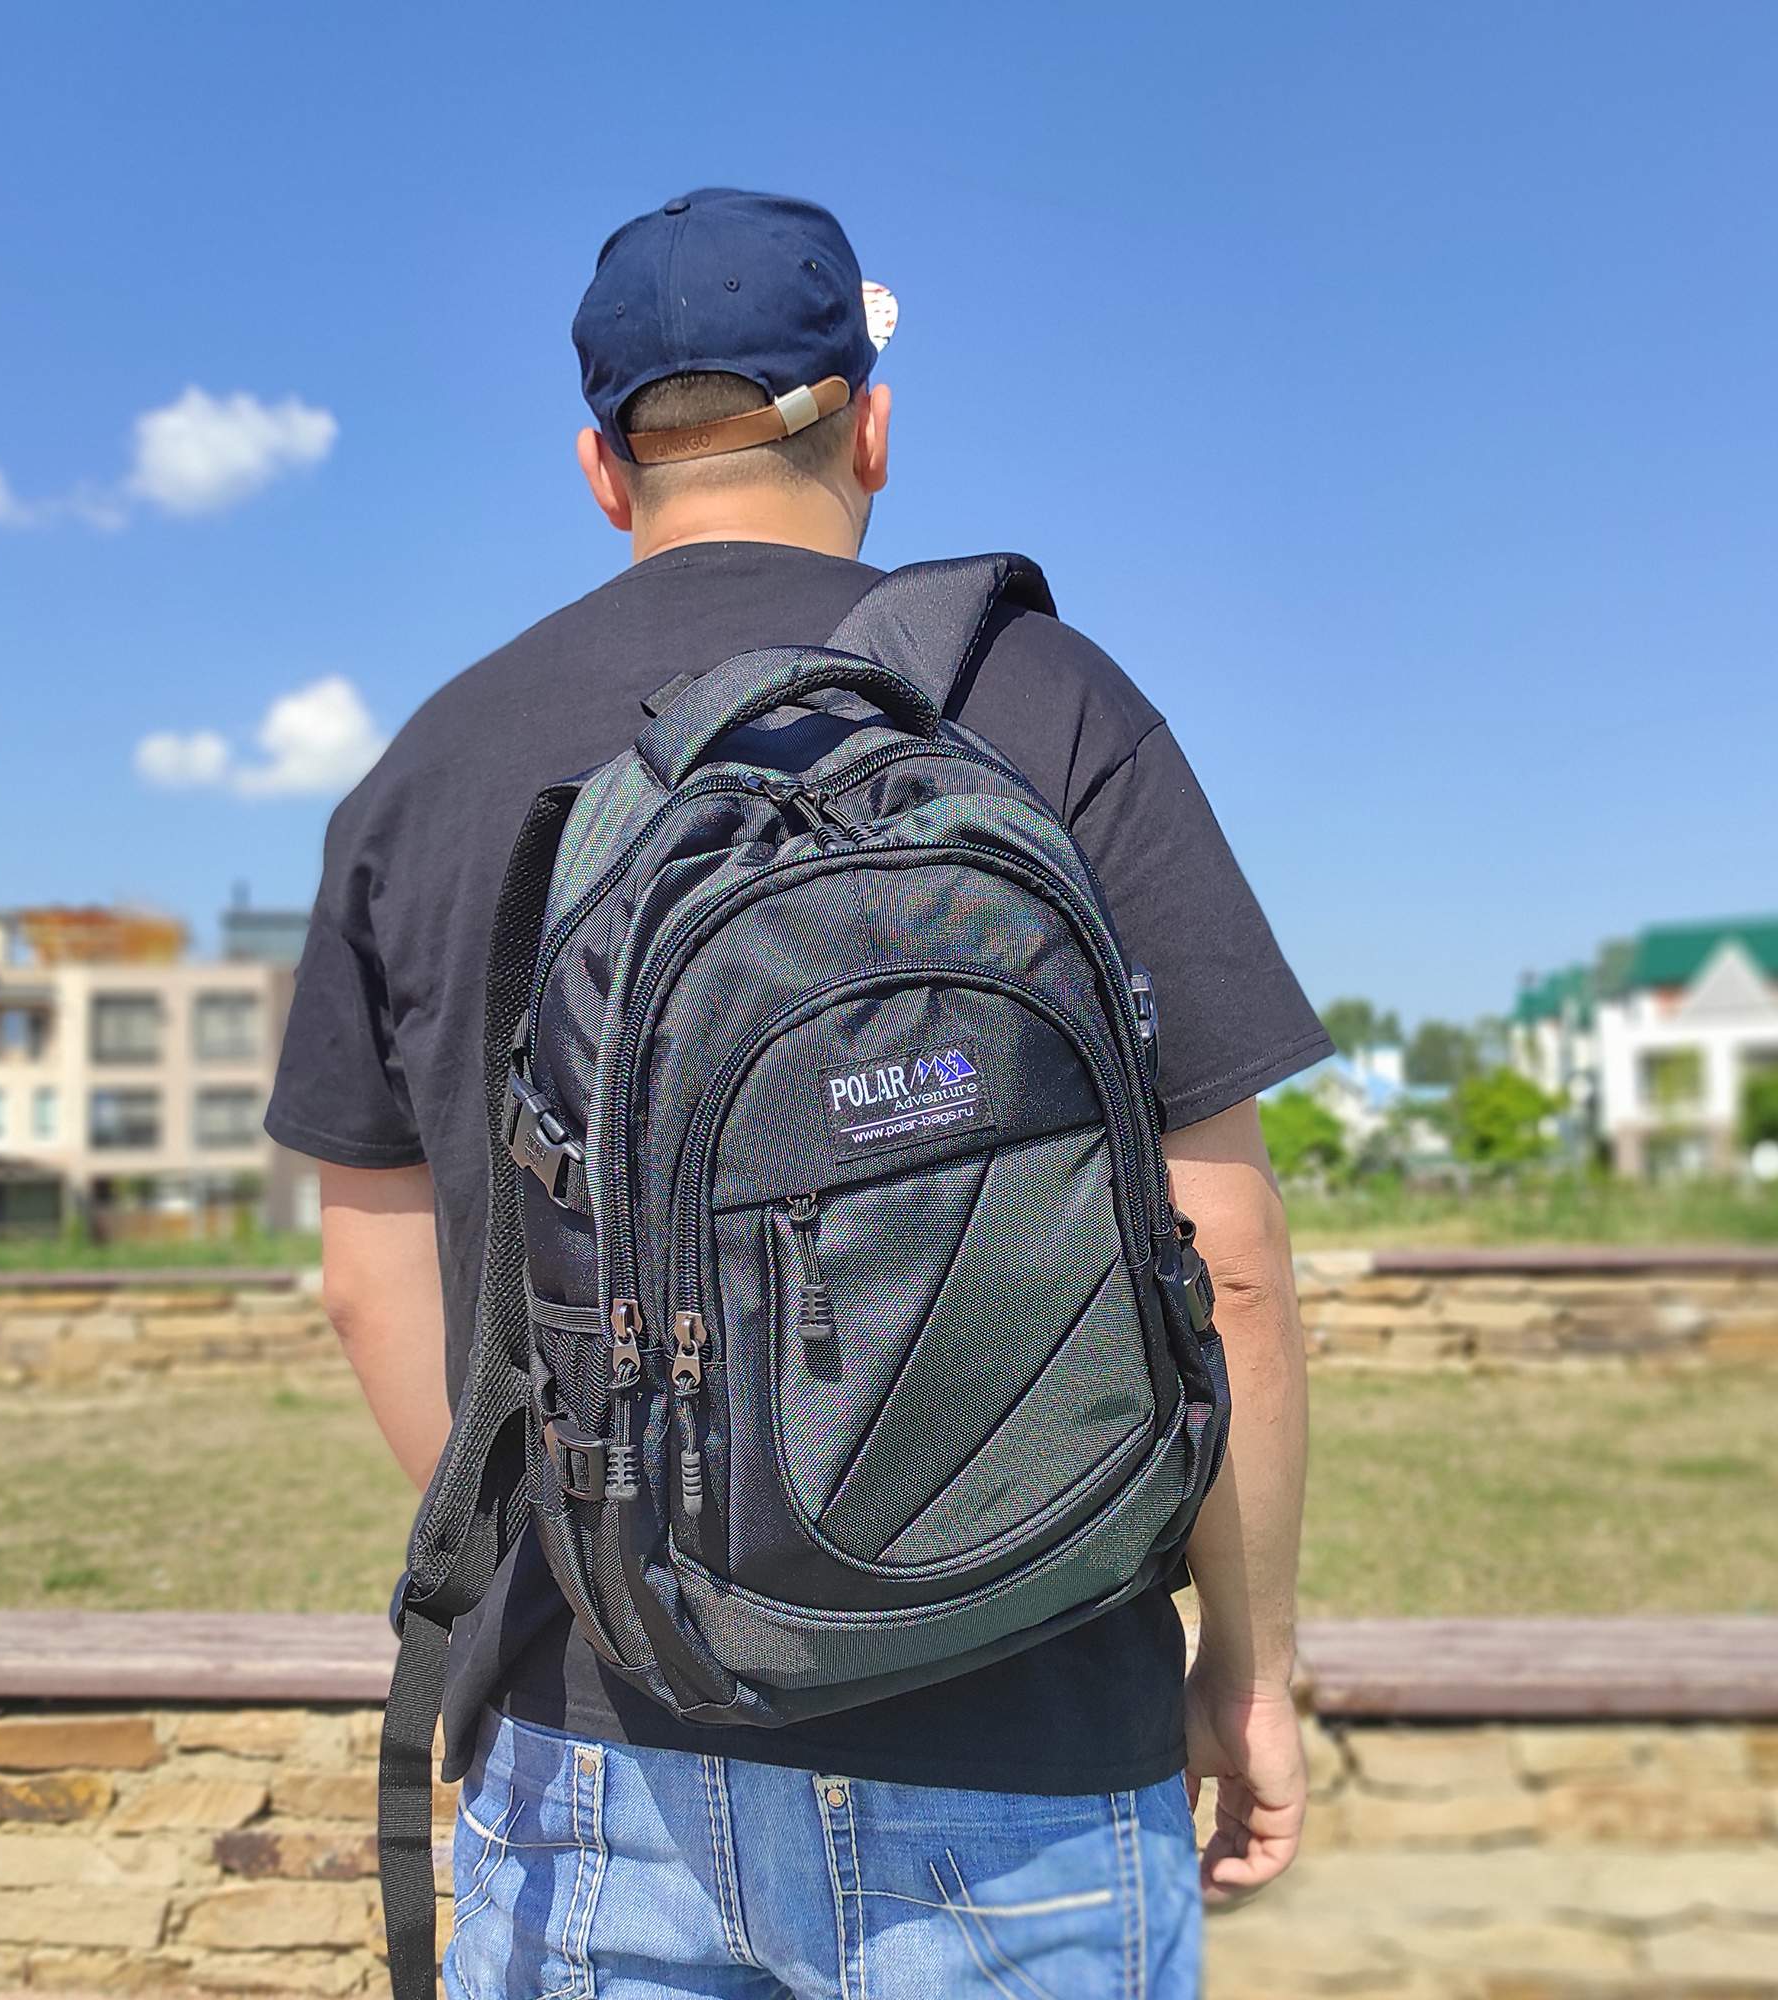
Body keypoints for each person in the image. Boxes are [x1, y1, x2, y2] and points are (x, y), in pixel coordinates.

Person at [267, 188, 1326, 2000]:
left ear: (604, 469)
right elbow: (1222, 1257)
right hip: (1031, 1730)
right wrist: (1251, 1664)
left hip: (593, 1749)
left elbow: (373, 1279)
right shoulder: (1049, 700)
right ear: (873, 428)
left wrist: (604, 1552)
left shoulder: (429, 770)